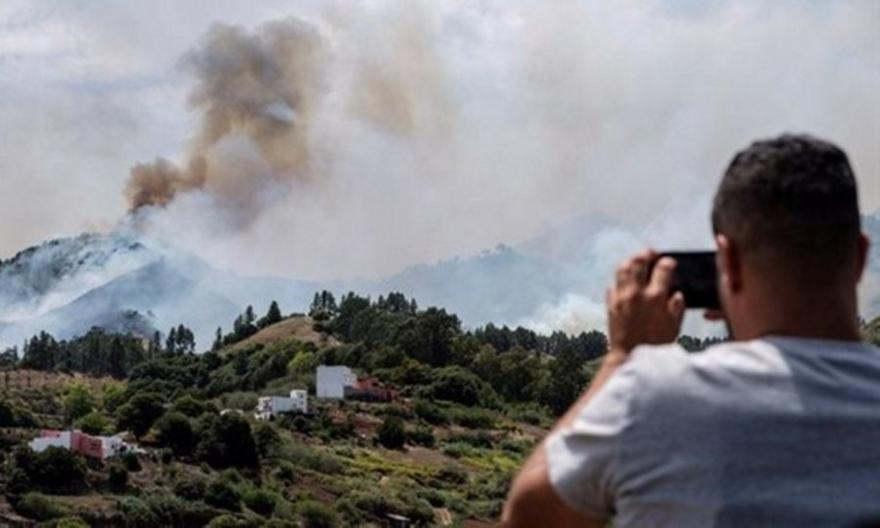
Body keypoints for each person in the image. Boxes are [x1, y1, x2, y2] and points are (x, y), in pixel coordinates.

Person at [502, 134, 880, 527]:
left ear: (728, 263)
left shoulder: (655, 397)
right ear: (860, 257)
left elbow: (527, 515)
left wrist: (623, 357)